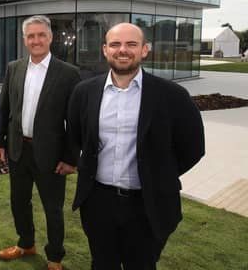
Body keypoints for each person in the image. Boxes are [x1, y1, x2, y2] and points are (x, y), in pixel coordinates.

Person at [65, 22, 205, 269]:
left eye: (131, 44)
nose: (123, 50)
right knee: (102, 263)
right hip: (98, 203)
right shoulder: (84, 92)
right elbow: (77, 136)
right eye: (116, 44)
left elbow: (193, 147)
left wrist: (159, 174)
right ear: (105, 50)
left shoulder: (172, 95)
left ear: (144, 50)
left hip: (147, 205)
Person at [0, 15, 81, 270]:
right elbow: (4, 109)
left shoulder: (68, 74)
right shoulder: (14, 68)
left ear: (50, 38)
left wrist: (70, 159)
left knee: (52, 209)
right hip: (19, 150)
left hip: (51, 156)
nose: (36, 40)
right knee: (18, 202)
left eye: (41, 35)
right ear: (24, 40)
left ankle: (55, 257)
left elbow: (75, 123)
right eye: (31, 36)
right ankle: (26, 243)